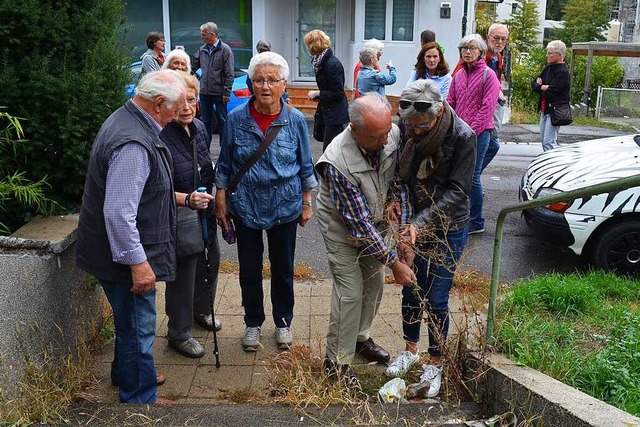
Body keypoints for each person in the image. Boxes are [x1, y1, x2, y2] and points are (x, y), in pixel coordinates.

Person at [75, 70, 187, 404]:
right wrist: (138, 263)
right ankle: (139, 400)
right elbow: (118, 213)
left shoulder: (127, 118)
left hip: (112, 251)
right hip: (126, 257)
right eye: (176, 107)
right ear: (157, 104)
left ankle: (126, 376)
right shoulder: (134, 143)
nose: (180, 113)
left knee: (128, 322)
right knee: (139, 328)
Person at [214, 52, 318, 353]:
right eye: (259, 80)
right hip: (245, 205)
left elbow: (305, 164)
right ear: (251, 83)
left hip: (285, 206)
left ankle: (283, 322)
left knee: (283, 268)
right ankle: (253, 322)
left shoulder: (295, 120)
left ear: (284, 84)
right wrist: (220, 198)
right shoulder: (235, 119)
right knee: (249, 269)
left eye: (272, 80)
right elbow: (224, 164)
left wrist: (307, 202)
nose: (265, 86)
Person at [315, 92, 416, 385]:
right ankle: (336, 362)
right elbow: (358, 226)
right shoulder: (337, 162)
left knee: (373, 284)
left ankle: (360, 339)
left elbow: (398, 178)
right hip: (342, 228)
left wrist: (399, 215)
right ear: (355, 130)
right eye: (377, 136)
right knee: (350, 293)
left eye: (387, 132)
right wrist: (394, 262)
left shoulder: (390, 133)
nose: (386, 140)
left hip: (376, 219)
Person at [384, 79, 475, 399]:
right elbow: (399, 172)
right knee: (411, 285)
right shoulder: (407, 123)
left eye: (422, 127)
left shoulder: (463, 136)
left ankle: (434, 362)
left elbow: (459, 191)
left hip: (449, 225)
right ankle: (410, 350)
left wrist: (419, 224)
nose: (415, 132)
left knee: (436, 297)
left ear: (438, 114)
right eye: (410, 126)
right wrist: (394, 199)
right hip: (414, 221)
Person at [159, 73, 221, 359]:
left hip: (204, 210)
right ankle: (179, 332)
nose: (186, 107)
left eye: (192, 100)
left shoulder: (199, 127)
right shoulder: (161, 135)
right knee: (184, 272)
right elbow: (155, 187)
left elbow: (205, 164)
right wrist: (187, 199)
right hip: (180, 214)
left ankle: (202, 311)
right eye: (179, 101)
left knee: (211, 261)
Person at [447, 34, 500, 236]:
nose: (467, 52)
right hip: (460, 133)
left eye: (472, 48)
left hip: (479, 133)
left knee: (473, 176)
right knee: (462, 175)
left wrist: (470, 132)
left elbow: (487, 108)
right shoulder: (458, 75)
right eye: (464, 48)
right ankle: (461, 216)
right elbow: (450, 103)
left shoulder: (489, 75)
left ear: (480, 52)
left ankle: (477, 221)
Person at [303, 29, 349, 151]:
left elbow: (338, 92)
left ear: (314, 44)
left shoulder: (332, 64)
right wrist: (319, 96)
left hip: (335, 115)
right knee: (327, 147)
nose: (307, 47)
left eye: (308, 44)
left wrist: (319, 93)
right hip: (327, 111)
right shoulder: (319, 61)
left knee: (330, 150)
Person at [192, 22, 235, 143]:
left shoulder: (225, 50)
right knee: (205, 121)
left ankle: (224, 149)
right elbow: (193, 67)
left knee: (222, 120)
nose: (202, 37)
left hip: (220, 92)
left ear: (212, 34)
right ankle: (205, 148)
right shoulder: (202, 49)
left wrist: (226, 92)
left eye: (204, 35)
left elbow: (229, 73)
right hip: (204, 92)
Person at [532, 40, 571, 152]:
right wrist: (543, 87)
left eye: (550, 53)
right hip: (545, 109)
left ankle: (554, 164)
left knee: (549, 142)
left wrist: (542, 87)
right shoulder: (548, 68)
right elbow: (535, 83)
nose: (547, 55)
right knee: (544, 141)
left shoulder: (562, 72)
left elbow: (552, 91)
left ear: (559, 55)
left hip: (554, 111)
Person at [482, 24, 509, 171]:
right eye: (496, 38)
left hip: (491, 110)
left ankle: (471, 181)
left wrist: (498, 90)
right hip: (480, 112)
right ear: (488, 38)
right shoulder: (480, 55)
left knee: (492, 146)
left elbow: (496, 80)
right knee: (492, 145)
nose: (500, 42)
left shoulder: (498, 57)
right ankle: (470, 182)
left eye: (503, 39)